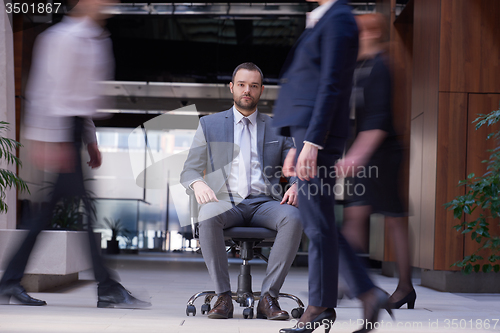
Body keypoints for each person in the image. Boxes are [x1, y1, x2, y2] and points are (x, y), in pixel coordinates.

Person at [0, 0, 151, 309]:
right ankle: (106, 287)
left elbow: (83, 98)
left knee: (52, 214)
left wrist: (90, 139)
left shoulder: (95, 37)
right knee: (78, 213)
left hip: (71, 131)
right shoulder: (60, 38)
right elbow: (46, 93)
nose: (109, 4)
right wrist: (48, 143)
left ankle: (10, 282)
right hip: (59, 130)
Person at [180, 62, 303, 320]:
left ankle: (268, 298)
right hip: (225, 201)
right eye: (242, 85)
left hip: (264, 203)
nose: (247, 90)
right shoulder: (209, 125)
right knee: (207, 214)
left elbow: (294, 168)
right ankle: (223, 296)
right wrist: (198, 183)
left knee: (294, 218)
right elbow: (189, 170)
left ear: (261, 90)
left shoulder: (277, 127)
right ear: (231, 88)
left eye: (254, 86)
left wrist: (296, 185)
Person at [272, 0, 359, 332]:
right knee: (318, 223)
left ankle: (320, 305)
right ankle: (330, 301)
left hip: (314, 134)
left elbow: (331, 84)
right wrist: (298, 144)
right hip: (305, 134)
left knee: (318, 225)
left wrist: (312, 141)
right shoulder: (323, 18)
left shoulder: (337, 17)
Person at [336, 13, 415, 310]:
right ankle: (348, 281)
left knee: (394, 219)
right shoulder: (358, 67)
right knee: (355, 215)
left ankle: (405, 286)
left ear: (370, 32)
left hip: (383, 152)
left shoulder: (382, 66)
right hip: (364, 151)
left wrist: (355, 156)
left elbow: (379, 119)